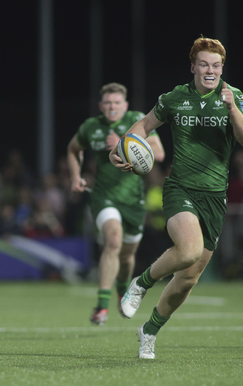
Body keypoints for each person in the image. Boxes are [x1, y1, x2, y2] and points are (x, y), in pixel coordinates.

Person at [111, 36, 243, 359]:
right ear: (193, 67)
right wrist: (120, 150)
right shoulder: (176, 98)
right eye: (204, 64)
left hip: (215, 197)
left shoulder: (234, 97)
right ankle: (141, 283)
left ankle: (148, 331)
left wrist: (232, 109)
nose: (210, 70)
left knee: (188, 279)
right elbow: (144, 126)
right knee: (188, 250)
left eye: (216, 65)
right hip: (180, 189)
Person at [67, 82, 165, 326]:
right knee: (112, 241)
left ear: (126, 105)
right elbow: (73, 149)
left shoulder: (137, 120)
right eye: (108, 103)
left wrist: (124, 142)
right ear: (101, 106)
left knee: (127, 255)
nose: (112, 107)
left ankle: (123, 287)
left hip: (132, 200)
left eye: (116, 103)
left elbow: (159, 153)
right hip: (104, 196)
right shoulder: (92, 127)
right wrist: (75, 176)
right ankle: (101, 307)